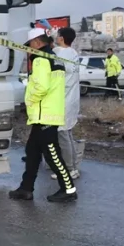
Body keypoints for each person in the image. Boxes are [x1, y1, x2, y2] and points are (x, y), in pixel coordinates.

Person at [10, 28, 77, 203]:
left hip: (44, 114)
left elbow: (41, 87)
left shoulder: (41, 59)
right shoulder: (54, 57)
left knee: (52, 155)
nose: (28, 49)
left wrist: (29, 101)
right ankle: (26, 188)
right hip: (47, 114)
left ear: (37, 43)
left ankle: (68, 189)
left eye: (30, 45)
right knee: (32, 152)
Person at [53, 26, 82, 180]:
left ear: (62, 38)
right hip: (71, 98)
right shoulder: (72, 52)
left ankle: (70, 169)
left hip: (64, 98)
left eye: (58, 35)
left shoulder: (62, 53)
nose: (56, 37)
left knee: (63, 134)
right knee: (68, 133)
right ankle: (73, 167)